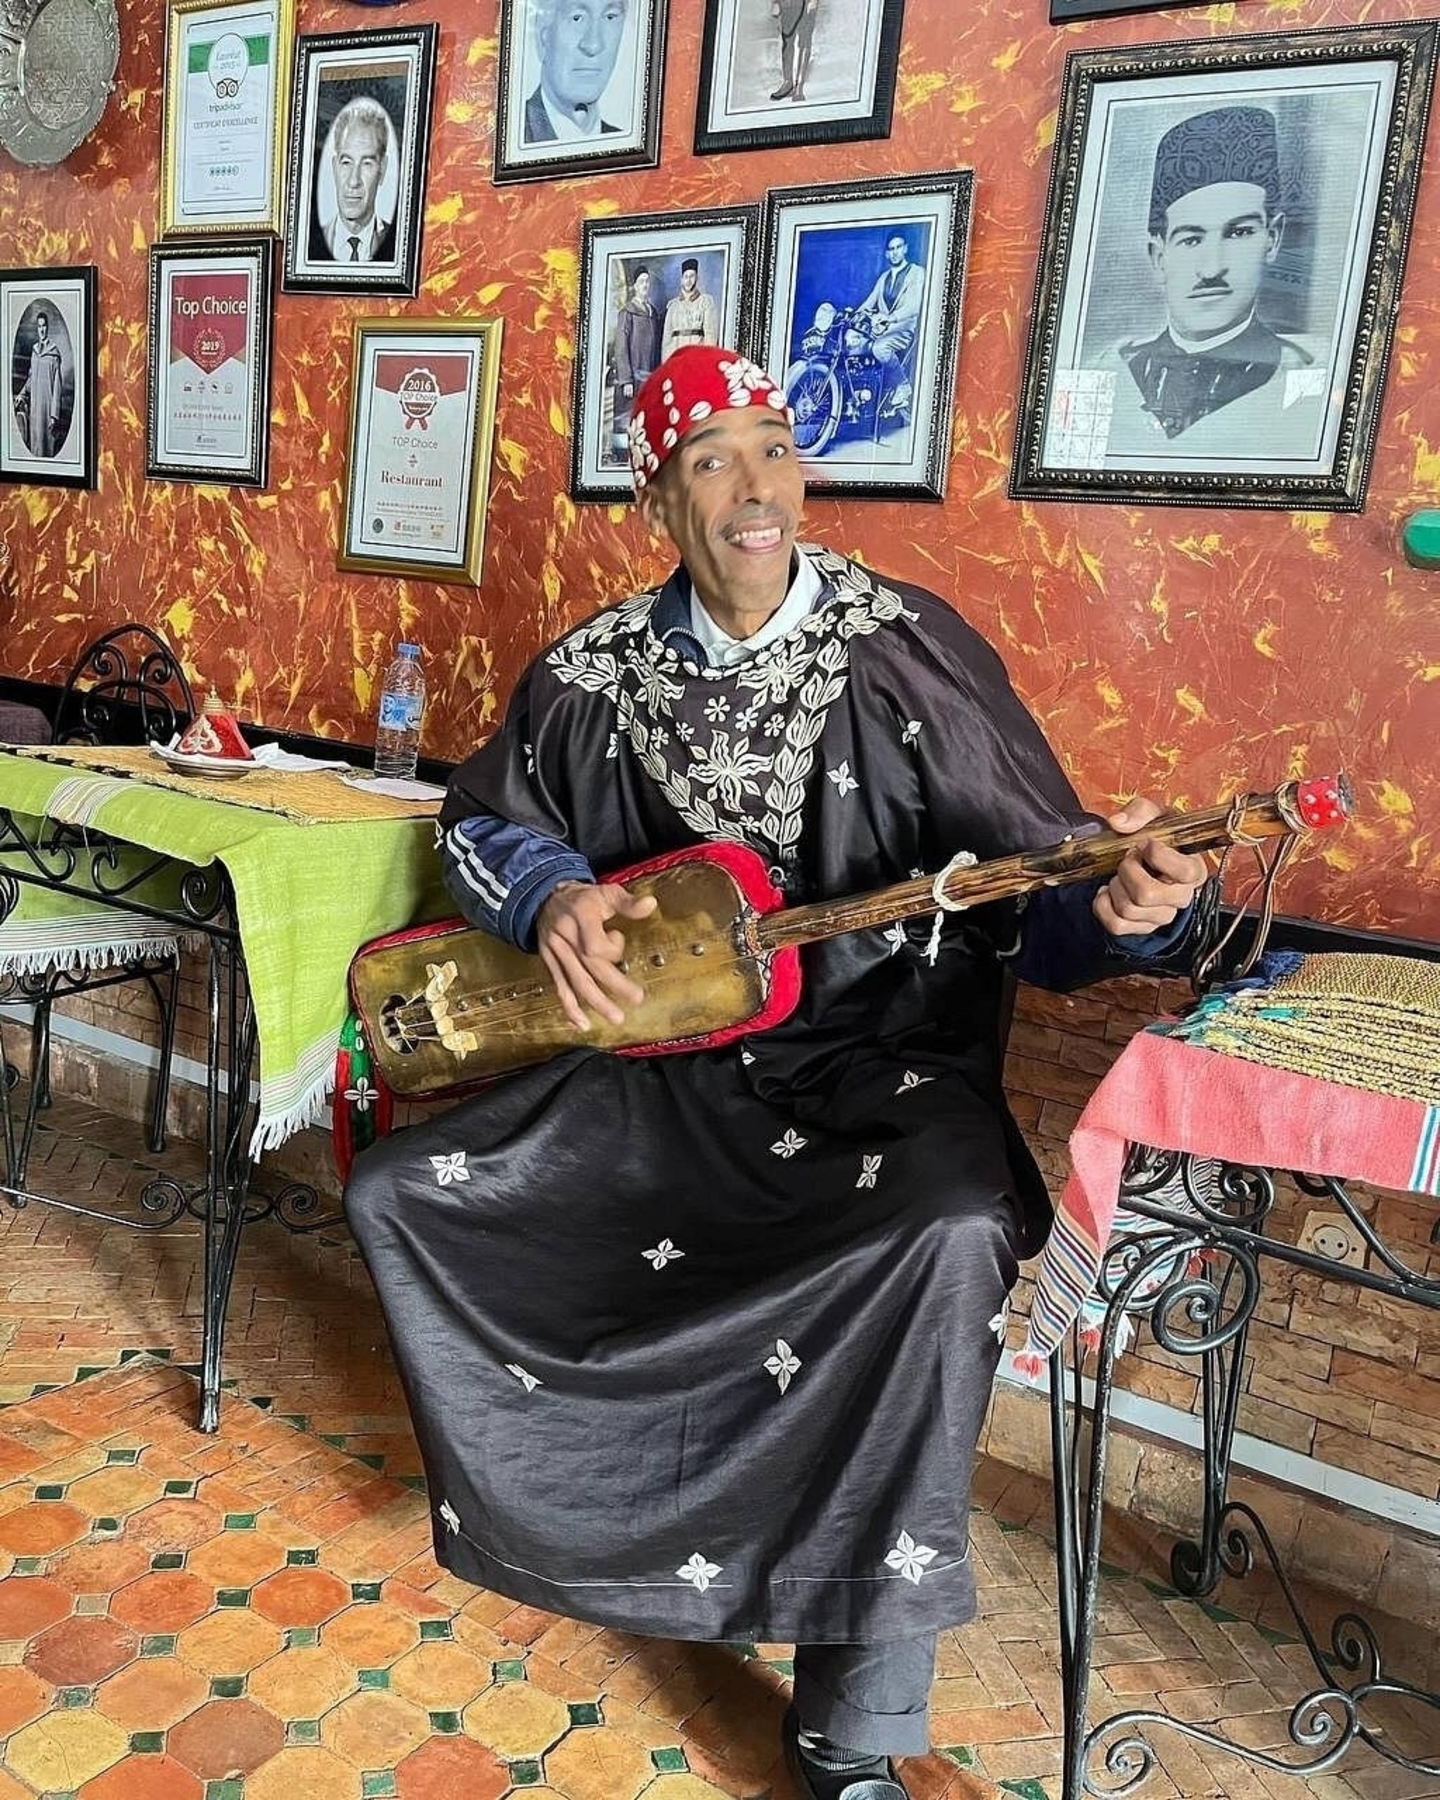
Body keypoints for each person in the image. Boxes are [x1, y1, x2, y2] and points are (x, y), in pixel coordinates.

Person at [344, 343, 1212, 1800]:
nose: (756, 488)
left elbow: (1045, 893)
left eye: (774, 448)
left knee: (947, 1232)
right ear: (657, 498)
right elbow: (478, 825)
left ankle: (854, 1718)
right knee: (407, 1191)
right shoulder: (591, 675)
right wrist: (552, 894)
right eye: (711, 460)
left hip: (885, 1072)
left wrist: (1132, 908)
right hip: (663, 1075)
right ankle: (605, 1543)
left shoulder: (910, 649)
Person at [1102, 104, 1330, 456]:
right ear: (1159, 257)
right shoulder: (1111, 370)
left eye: (1239, 233)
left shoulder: (1311, 377)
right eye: (1191, 239)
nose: (1211, 269)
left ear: (1272, 240)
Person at [523, 0, 627, 144]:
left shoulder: (624, 142)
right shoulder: (510, 134)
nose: (593, 45)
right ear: (543, 37)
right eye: (577, 18)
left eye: (610, 17)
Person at [307, 97, 397, 264]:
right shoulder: (310, 241)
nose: (353, 181)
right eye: (346, 163)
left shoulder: (395, 244)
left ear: (382, 169)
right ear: (335, 167)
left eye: (367, 163)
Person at [848, 232, 926, 421]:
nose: (895, 252)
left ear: (905, 248)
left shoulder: (917, 273)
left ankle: (903, 385)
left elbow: (914, 305)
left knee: (879, 348)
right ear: (886, 253)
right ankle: (857, 399)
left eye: (898, 247)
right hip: (881, 329)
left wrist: (891, 318)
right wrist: (854, 314)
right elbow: (870, 301)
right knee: (853, 346)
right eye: (891, 249)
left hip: (903, 329)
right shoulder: (884, 277)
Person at [611, 265, 662, 428]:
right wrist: (626, 380)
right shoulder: (627, 313)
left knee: (647, 422)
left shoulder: (653, 313)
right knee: (628, 421)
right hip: (632, 379)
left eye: (647, 281)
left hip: (648, 377)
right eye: (641, 282)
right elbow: (621, 348)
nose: (645, 285)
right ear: (635, 286)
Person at [14, 308, 63, 458]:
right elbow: (31, 379)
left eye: (44, 326)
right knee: (34, 444)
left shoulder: (54, 354)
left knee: (45, 446)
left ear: (47, 328)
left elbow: (57, 387)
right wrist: (21, 394)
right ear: (37, 328)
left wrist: (54, 415)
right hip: (35, 408)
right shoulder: (34, 351)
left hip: (47, 409)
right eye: (39, 326)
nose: (42, 329)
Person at [661, 257, 719, 358]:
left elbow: (710, 335)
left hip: (696, 356)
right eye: (686, 277)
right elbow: (667, 339)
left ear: (697, 278)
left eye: (692, 276)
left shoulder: (706, 302)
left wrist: (706, 359)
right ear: (681, 280)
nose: (688, 280)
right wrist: (667, 362)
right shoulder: (673, 306)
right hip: (676, 356)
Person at [771, 0, 820, 101]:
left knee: (804, 41)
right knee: (787, 42)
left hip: (806, 3)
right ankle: (788, 83)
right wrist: (776, 2)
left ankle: (799, 87)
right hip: (787, 3)